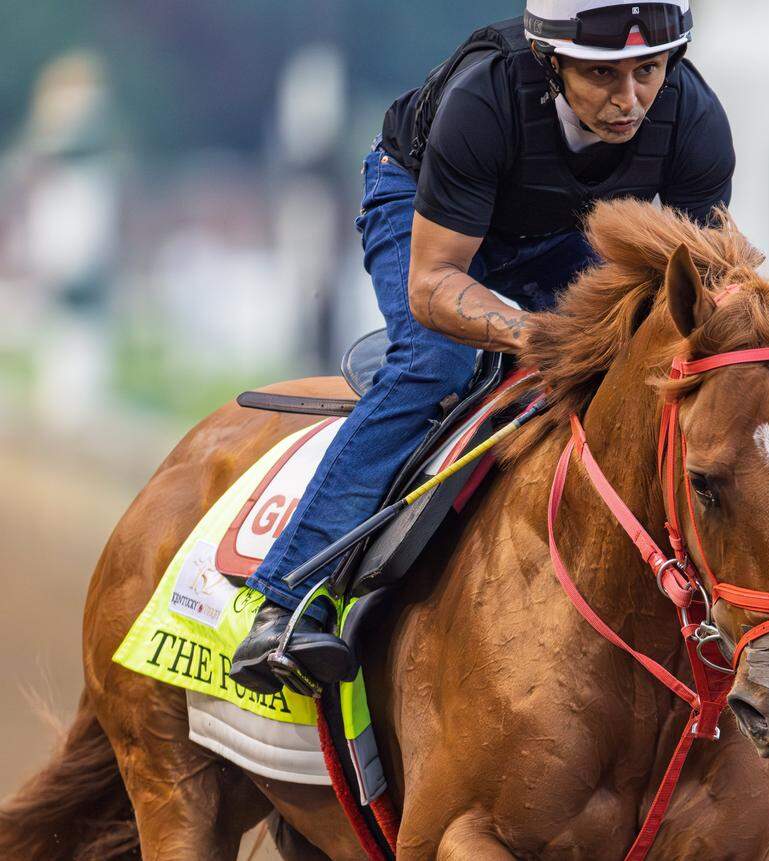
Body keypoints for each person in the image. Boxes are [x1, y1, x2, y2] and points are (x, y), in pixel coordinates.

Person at [231, 0, 735, 694]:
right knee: (434, 362)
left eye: (648, 72)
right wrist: (532, 334)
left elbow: (697, 301)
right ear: (550, 63)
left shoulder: (696, 122)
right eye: (602, 77)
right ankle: (285, 602)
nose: (629, 101)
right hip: (417, 201)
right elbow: (434, 285)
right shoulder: (484, 99)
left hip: (560, 229)